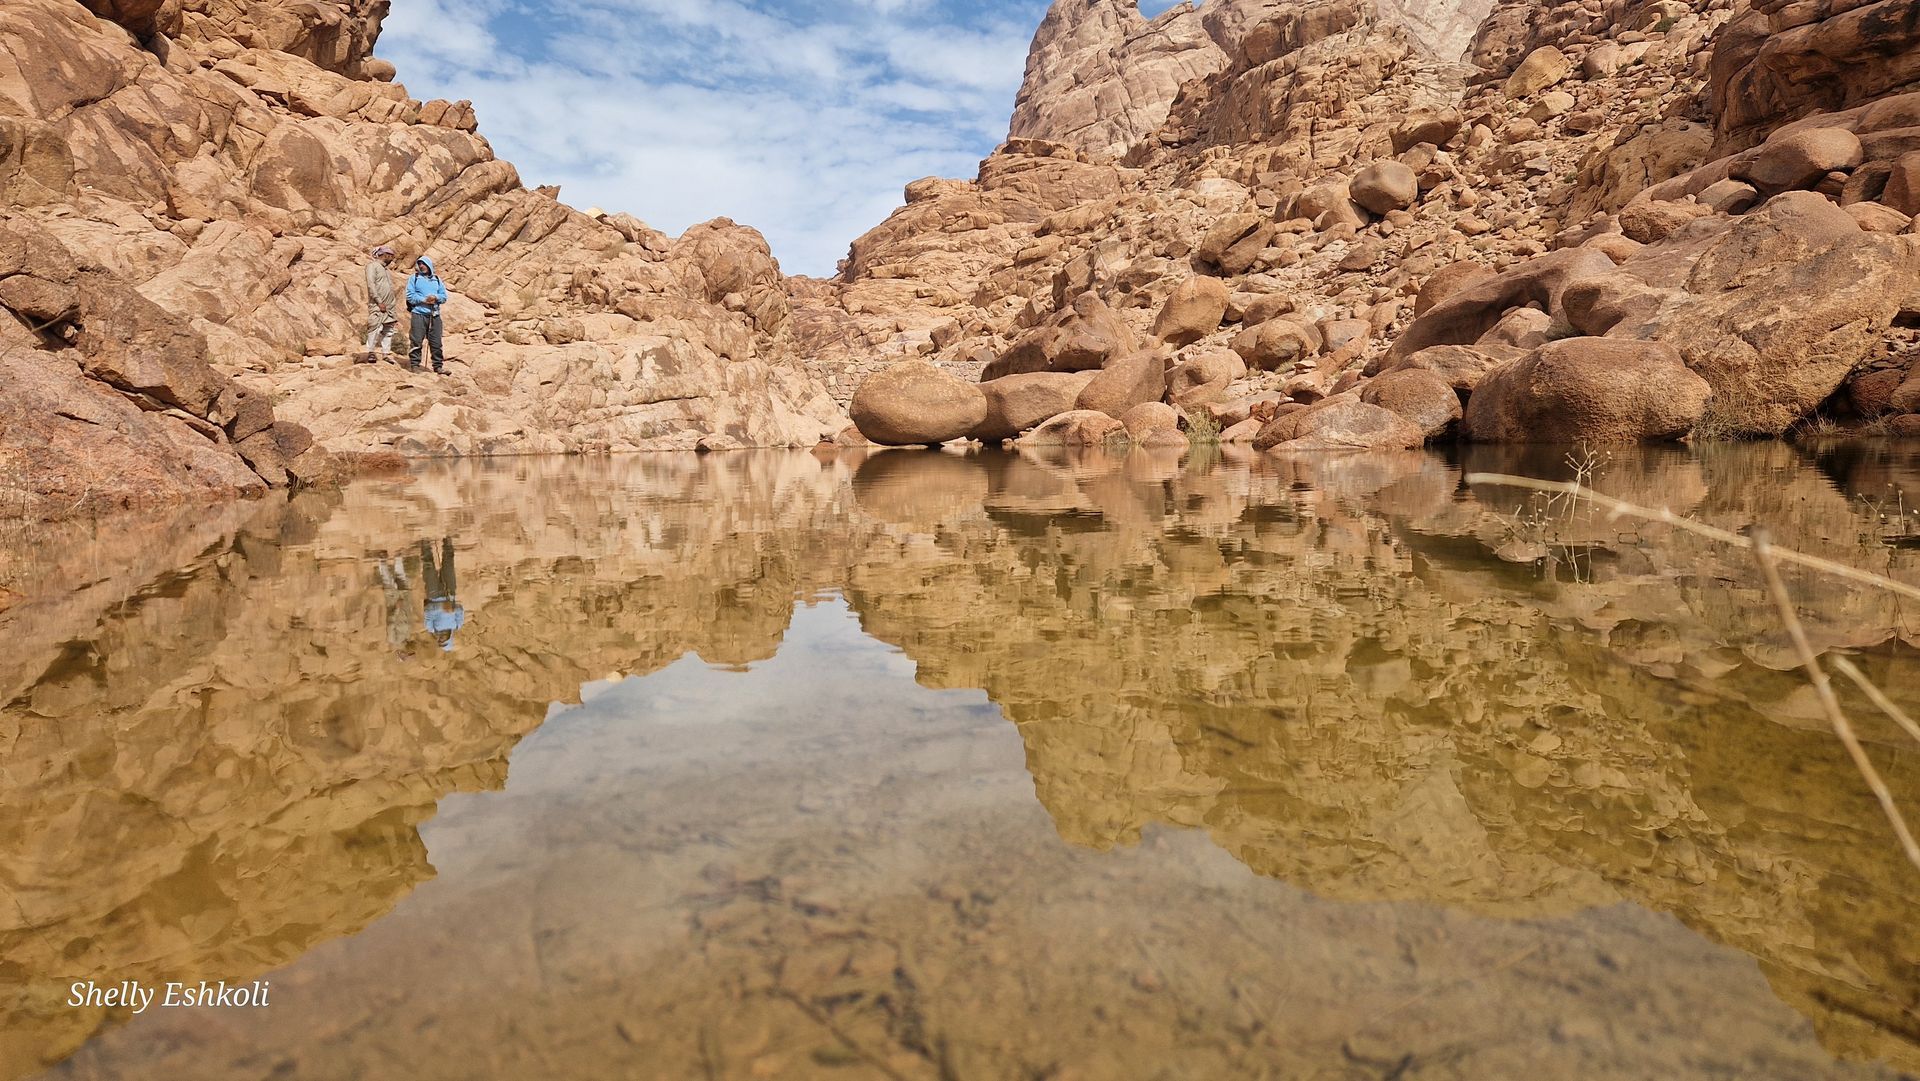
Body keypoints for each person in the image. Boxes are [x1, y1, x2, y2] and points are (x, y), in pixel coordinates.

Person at [405, 256, 451, 374]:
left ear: (429, 265)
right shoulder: (414, 278)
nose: (421, 266)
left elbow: (444, 296)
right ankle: (415, 365)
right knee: (416, 340)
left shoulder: (437, 279)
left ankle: (438, 366)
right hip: (419, 314)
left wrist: (435, 298)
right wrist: (424, 300)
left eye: (423, 264)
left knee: (436, 342)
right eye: (419, 264)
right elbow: (410, 296)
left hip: (434, 315)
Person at [420, 537, 465, 652]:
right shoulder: (457, 625)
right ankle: (448, 543)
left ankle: (425, 543)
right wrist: (452, 608)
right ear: (449, 639)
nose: (440, 639)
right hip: (449, 593)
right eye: (443, 640)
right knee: (448, 565)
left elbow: (427, 611)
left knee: (428, 567)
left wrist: (441, 608)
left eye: (440, 641)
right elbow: (460, 609)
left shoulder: (431, 628)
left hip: (433, 595)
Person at [362, 245, 398, 364]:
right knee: (375, 327)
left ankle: (386, 353)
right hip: (378, 304)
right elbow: (371, 285)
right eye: (390, 255)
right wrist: (379, 301)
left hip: (389, 306)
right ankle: (371, 352)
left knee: (388, 330)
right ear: (383, 255)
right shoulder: (372, 266)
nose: (392, 258)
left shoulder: (386, 270)